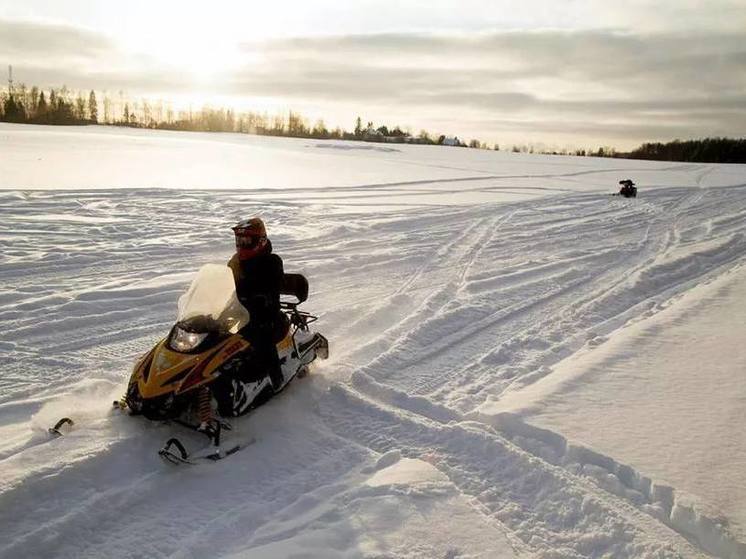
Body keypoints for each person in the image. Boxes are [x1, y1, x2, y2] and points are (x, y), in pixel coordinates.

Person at [227, 217, 287, 392]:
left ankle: (276, 379)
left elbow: (270, 285)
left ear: (260, 241)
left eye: (246, 240)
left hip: (265, 315)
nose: (241, 244)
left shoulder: (272, 261)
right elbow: (225, 280)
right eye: (239, 240)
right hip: (239, 312)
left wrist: (255, 295)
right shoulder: (235, 261)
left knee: (261, 336)